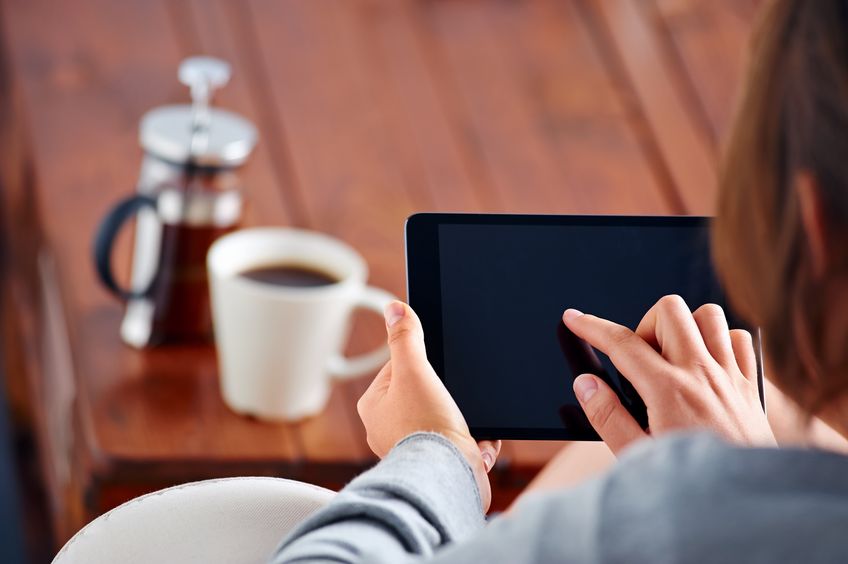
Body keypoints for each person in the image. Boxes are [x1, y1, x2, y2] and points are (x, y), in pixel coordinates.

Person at [271, 1, 848, 562]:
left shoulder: (639, 526)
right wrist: (743, 476)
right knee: (765, 402)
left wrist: (433, 455)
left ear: (812, 225)